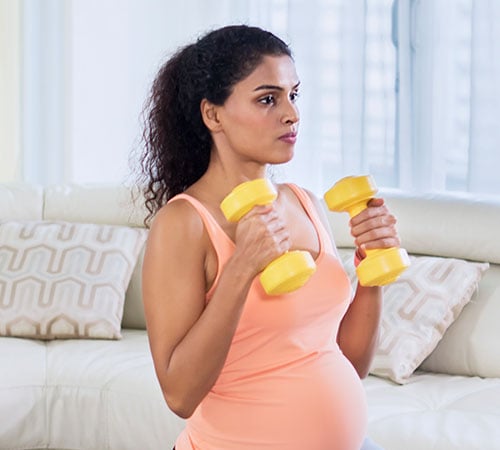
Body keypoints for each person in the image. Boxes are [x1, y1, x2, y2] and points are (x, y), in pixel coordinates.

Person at [138, 24, 398, 450]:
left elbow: (348, 362)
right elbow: (179, 394)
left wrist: (372, 275)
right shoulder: (183, 223)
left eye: (294, 95)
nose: (291, 114)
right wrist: (242, 267)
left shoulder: (306, 203)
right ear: (213, 114)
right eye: (267, 99)